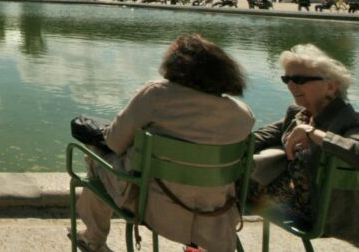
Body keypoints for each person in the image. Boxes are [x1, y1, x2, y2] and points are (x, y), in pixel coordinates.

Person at [72, 34, 254, 252]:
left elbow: (114, 142)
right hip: (216, 216)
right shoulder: (243, 115)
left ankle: (93, 239)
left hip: (152, 207)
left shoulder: (156, 95)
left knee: (95, 155)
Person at [251, 44, 359, 245]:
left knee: (225, 191)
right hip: (292, 199)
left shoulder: (349, 121)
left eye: (300, 79)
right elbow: (257, 139)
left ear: (331, 86)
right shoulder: (300, 114)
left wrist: (312, 133)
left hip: (323, 216)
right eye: (287, 79)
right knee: (222, 182)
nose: (291, 85)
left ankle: (208, 243)